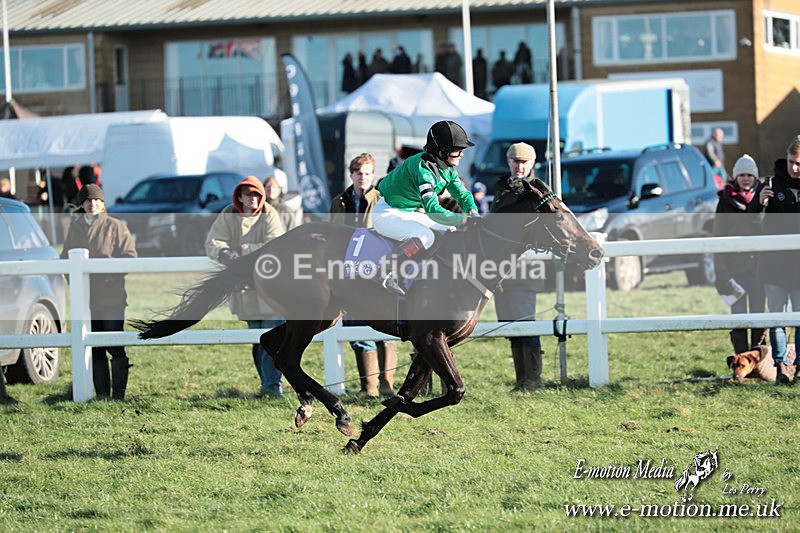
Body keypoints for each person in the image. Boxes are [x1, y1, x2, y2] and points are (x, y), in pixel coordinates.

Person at [372, 120, 479, 295]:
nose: (461, 155)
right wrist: (463, 219)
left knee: (449, 228)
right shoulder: (424, 171)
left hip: (405, 212)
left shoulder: (446, 169)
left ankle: (434, 273)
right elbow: (433, 210)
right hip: (386, 213)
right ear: (441, 152)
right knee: (425, 236)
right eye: (457, 150)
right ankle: (384, 270)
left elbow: (463, 194)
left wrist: (473, 212)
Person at [205, 176, 287, 396]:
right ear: (239, 197)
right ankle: (266, 384)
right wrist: (223, 252)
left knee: (272, 338)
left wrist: (242, 250)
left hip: (271, 286)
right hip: (245, 290)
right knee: (257, 340)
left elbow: (275, 243)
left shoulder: (269, 213)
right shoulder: (229, 213)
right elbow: (212, 241)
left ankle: (272, 386)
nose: (254, 199)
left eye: (257, 195)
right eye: (249, 195)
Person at [61, 184, 137, 400]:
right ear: (82, 204)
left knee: (115, 345)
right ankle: (102, 395)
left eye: (96, 200)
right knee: (94, 347)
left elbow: (130, 256)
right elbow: (65, 257)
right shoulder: (75, 227)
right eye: (87, 200)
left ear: (103, 204)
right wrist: (75, 283)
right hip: (85, 299)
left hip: (112, 297)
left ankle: (119, 395)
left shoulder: (116, 226)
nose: (92, 204)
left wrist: (109, 275)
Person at [330, 153, 398, 398]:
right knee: (355, 324)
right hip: (348, 270)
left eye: (368, 173)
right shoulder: (339, 202)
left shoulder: (382, 199)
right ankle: (368, 387)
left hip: (377, 270)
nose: (363, 178)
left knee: (385, 325)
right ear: (351, 174)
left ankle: (387, 384)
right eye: (359, 173)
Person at [491, 143, 544, 390]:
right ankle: (521, 379)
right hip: (499, 268)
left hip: (524, 268)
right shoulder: (502, 188)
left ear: (532, 163)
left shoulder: (537, 192)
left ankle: (532, 379)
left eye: (524, 162)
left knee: (525, 323)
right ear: (508, 161)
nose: (520, 167)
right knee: (511, 326)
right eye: (516, 162)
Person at [749, 135, 800, 384]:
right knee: (777, 318)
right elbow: (750, 221)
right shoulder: (770, 184)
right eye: (791, 162)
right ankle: (779, 366)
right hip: (773, 265)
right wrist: (759, 204)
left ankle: (799, 366)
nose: (794, 168)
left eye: (799, 163)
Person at [713, 154, 765, 354]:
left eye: (749, 175)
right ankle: (741, 359)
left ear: (755, 177)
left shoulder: (764, 199)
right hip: (734, 269)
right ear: (735, 177)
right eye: (742, 175)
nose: (746, 179)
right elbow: (718, 237)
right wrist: (721, 271)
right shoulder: (725, 202)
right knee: (738, 317)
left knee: (760, 316)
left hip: (759, 269)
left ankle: (758, 359)